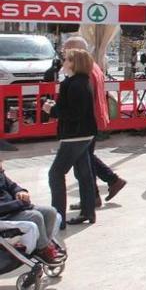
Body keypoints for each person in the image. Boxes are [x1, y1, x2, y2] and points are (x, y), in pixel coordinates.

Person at [61, 37, 127, 209]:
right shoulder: (94, 66)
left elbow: (81, 100)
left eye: (66, 51)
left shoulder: (86, 70)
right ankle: (108, 184)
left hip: (86, 122)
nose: (64, 55)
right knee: (86, 158)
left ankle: (100, 190)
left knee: (83, 162)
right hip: (92, 119)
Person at [42, 48, 98, 227]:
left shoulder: (73, 84)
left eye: (66, 60)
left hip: (74, 135)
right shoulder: (83, 82)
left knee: (56, 174)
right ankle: (88, 212)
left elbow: (74, 113)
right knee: (84, 174)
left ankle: (58, 218)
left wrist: (52, 110)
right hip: (85, 133)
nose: (63, 63)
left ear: (74, 63)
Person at [0, 161, 63, 263]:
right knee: (35, 216)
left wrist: (20, 192)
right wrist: (19, 204)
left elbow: (12, 186)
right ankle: (43, 250)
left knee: (50, 212)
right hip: (5, 215)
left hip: (17, 208)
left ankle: (43, 244)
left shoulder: (1, 174)